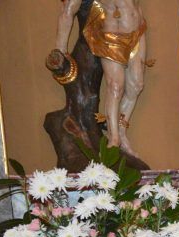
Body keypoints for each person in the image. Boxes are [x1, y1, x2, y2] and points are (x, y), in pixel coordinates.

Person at [55, 0, 147, 156]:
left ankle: (121, 131)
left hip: (137, 31)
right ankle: (114, 140)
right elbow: (68, 11)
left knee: (136, 85)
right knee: (115, 86)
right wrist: (60, 50)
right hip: (111, 35)